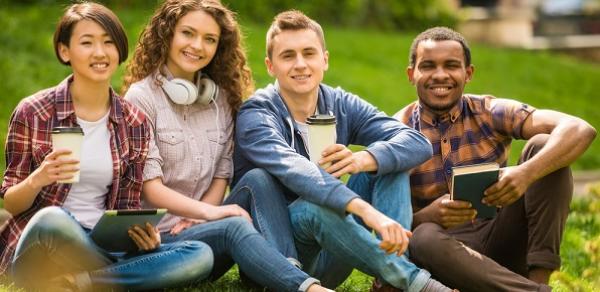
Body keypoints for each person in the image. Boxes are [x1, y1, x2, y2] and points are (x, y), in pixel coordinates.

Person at [233, 10, 455, 292]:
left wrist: (364, 159)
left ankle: (392, 281)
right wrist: (369, 213)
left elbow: (416, 142)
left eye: (309, 53)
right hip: (279, 262)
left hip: (335, 252)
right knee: (312, 206)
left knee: (388, 162)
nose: (300, 64)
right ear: (270, 65)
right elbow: (298, 171)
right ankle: (414, 282)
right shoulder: (257, 114)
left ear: (324, 59)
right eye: (288, 56)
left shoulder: (338, 102)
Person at [0, 2, 212, 291]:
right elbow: (11, 203)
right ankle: (126, 278)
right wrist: (40, 178)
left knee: (200, 254)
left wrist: (143, 238)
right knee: (51, 219)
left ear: (119, 51)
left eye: (109, 43)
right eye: (87, 43)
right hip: (43, 244)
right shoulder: (33, 112)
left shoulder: (134, 121)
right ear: (65, 51)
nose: (100, 53)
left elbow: (126, 207)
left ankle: (79, 284)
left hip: (99, 247)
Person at [122, 1, 329, 291]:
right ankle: (307, 288)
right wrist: (211, 214)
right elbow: (150, 188)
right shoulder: (140, 98)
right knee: (233, 225)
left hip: (203, 227)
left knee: (257, 179)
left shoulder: (218, 100)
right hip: (160, 238)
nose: (197, 46)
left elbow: (222, 175)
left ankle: (284, 267)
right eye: (188, 33)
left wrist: (199, 217)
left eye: (210, 39)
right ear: (167, 34)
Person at [394, 27, 597, 292]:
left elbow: (580, 129)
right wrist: (424, 217)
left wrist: (525, 174)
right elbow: (380, 223)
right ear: (412, 74)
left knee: (544, 146)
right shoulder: (396, 131)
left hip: (503, 239)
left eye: (452, 65)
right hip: (441, 257)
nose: (440, 75)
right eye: (428, 66)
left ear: (468, 73)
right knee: (423, 237)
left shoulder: (489, 111)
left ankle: (538, 281)